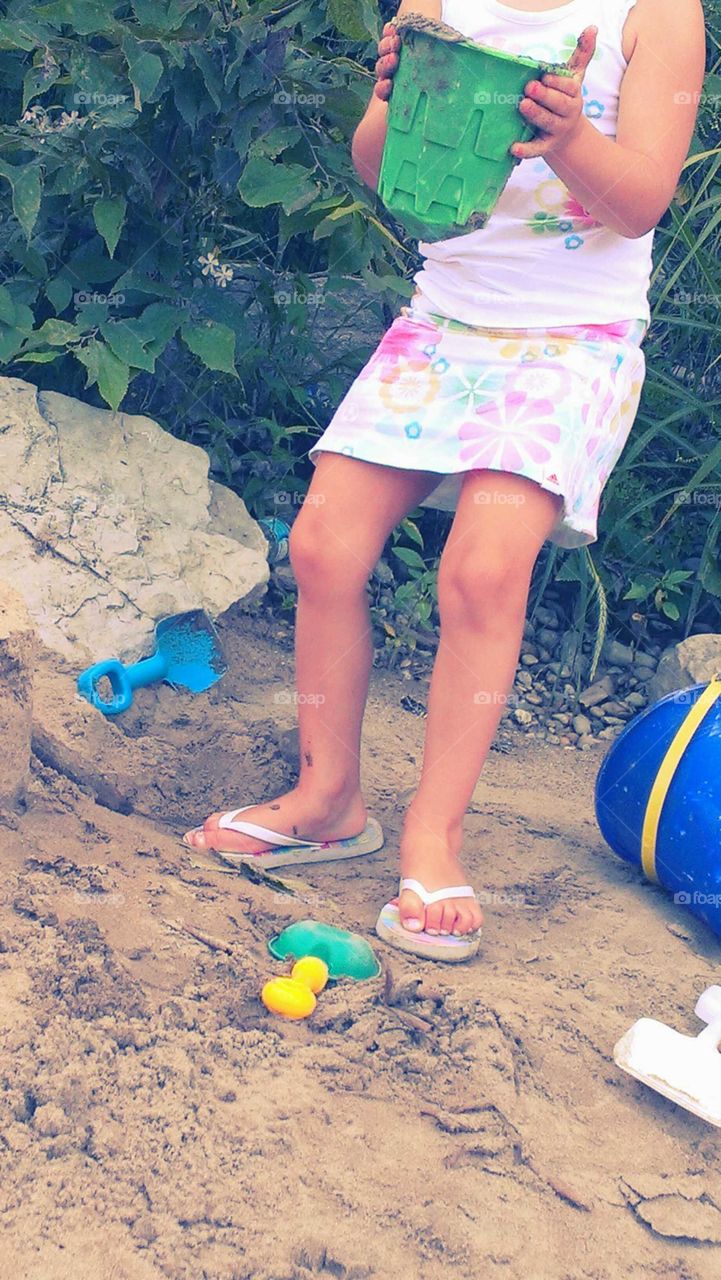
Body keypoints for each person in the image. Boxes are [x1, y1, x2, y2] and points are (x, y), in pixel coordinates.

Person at [185, 0, 705, 961]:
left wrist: (566, 138)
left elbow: (639, 203)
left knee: (481, 571)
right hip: (443, 323)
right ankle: (328, 800)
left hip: (571, 340)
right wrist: (394, 97)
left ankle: (434, 835)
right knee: (322, 546)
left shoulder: (655, 14)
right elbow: (380, 172)